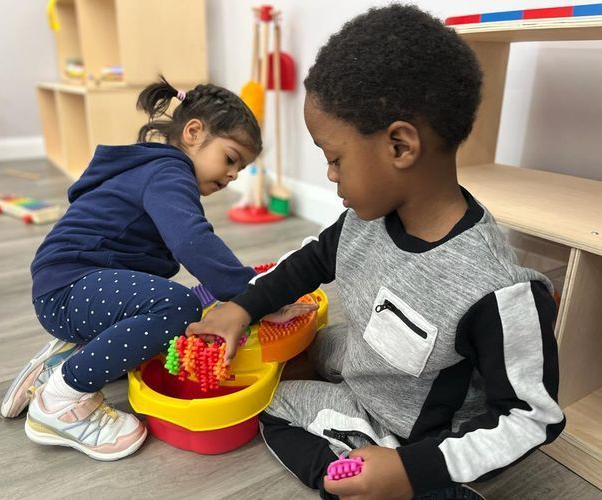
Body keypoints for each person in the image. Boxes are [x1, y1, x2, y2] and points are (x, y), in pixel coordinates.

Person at [186, 6, 565, 499]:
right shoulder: (363, 222)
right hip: (363, 374)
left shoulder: (497, 289)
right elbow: (307, 262)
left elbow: (530, 418)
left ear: (400, 147)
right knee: (264, 402)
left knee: (423, 483)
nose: (329, 175)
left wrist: (412, 470)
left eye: (334, 158)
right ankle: (354, 473)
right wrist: (241, 307)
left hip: (420, 438)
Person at [1, 77, 270, 461]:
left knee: (172, 309)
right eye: (230, 159)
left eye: (240, 169)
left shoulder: (151, 169)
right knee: (177, 308)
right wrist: (252, 294)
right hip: (69, 288)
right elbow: (192, 240)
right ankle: (59, 400)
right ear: (193, 132)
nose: (232, 176)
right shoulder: (169, 173)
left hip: (65, 284)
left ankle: (61, 362)